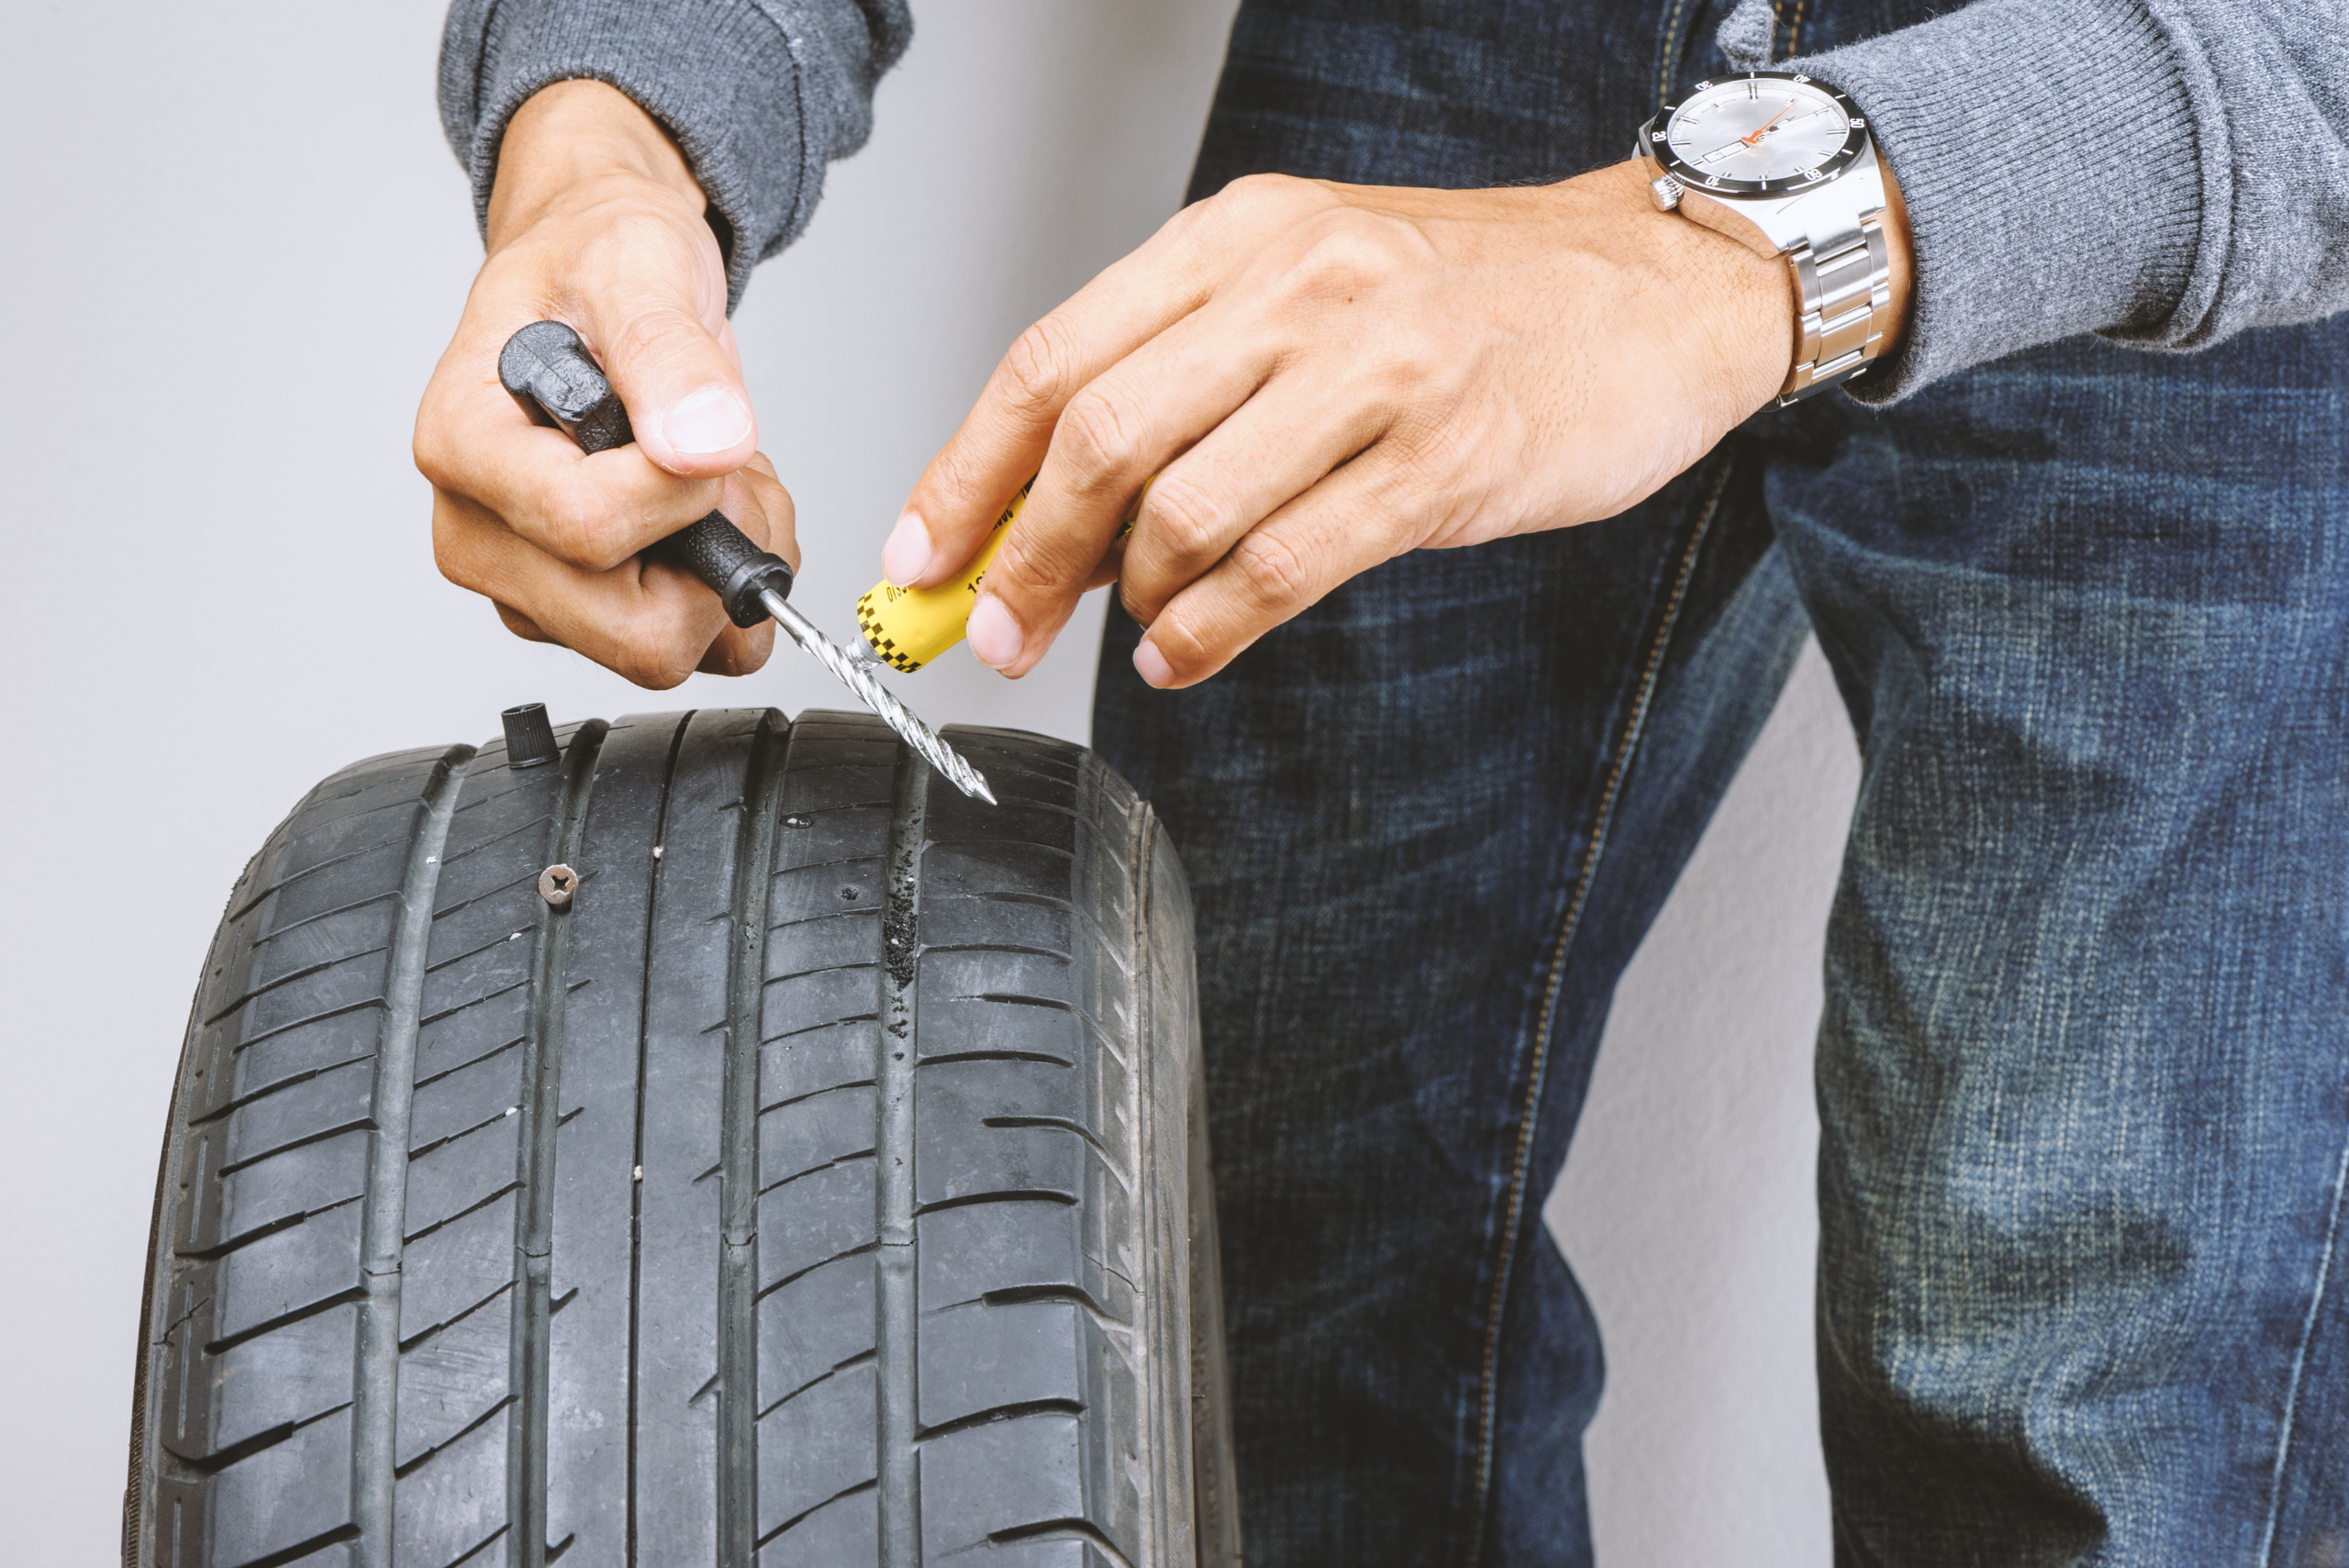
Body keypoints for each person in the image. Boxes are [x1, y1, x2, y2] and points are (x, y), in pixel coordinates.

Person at [413, 0, 2349, 1561]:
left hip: (2180, 61)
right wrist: (609, 137)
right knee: (1269, 1297)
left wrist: (1751, 233)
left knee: (2076, 1390)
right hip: (1459, 45)